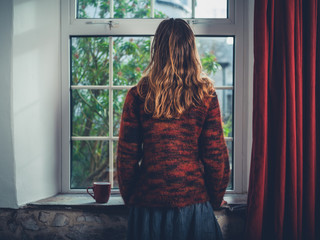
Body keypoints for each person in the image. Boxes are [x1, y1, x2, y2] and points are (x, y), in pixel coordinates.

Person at [117, 18, 230, 240]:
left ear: (156, 49)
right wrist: (215, 199)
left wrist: (133, 198)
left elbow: (126, 158)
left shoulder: (138, 95)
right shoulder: (205, 95)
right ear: (190, 49)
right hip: (194, 207)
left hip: (148, 207)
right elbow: (216, 157)